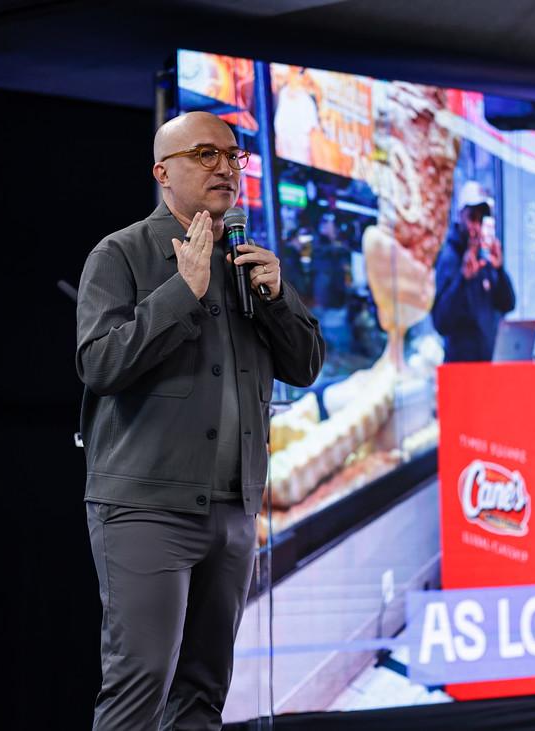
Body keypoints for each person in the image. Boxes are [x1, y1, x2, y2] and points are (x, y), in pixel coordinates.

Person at [75, 111, 324, 730]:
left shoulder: (246, 261)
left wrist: (278, 298)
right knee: (140, 686)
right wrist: (179, 292)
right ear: (163, 171)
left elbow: (307, 365)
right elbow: (99, 363)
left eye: (233, 156)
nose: (225, 168)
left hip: (234, 510)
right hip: (147, 506)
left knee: (204, 693)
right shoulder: (122, 253)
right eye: (206, 154)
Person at [432, 182, 516, 362]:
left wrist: (499, 270)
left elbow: (507, 304)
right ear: (460, 216)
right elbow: (441, 322)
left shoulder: (484, 258)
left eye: (481, 219)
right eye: (472, 218)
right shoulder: (449, 258)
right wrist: (462, 280)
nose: (476, 227)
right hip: (461, 372)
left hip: (487, 365)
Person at [312, 212, 353, 353]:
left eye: (331, 224)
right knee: (332, 335)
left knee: (340, 339)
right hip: (328, 299)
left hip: (338, 298)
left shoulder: (339, 246)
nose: (329, 227)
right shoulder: (321, 248)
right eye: (326, 224)